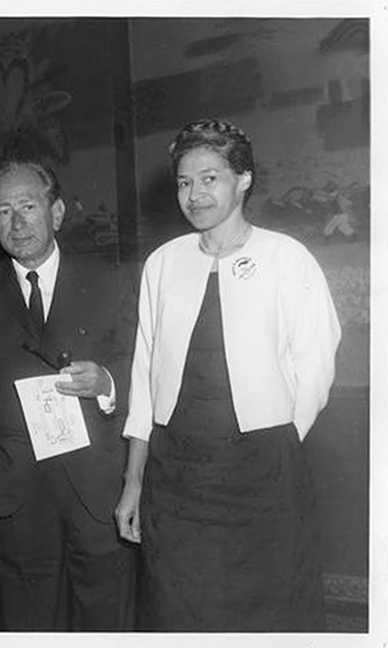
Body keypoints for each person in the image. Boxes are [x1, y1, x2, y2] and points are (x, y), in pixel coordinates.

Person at [115, 118, 341, 631]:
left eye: (209, 177)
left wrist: (276, 440)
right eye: (183, 181)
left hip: (264, 478)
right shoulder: (163, 264)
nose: (194, 194)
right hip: (175, 479)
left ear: (243, 179)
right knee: (178, 613)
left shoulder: (287, 258)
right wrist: (134, 481)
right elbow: (145, 378)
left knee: (269, 616)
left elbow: (317, 365)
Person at [0, 159, 138, 630]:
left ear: (56, 212)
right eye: (2, 212)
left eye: (28, 207)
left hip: (95, 489)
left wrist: (107, 383)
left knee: (107, 618)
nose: (16, 223)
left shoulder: (110, 282)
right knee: (28, 621)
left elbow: (142, 369)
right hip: (16, 492)